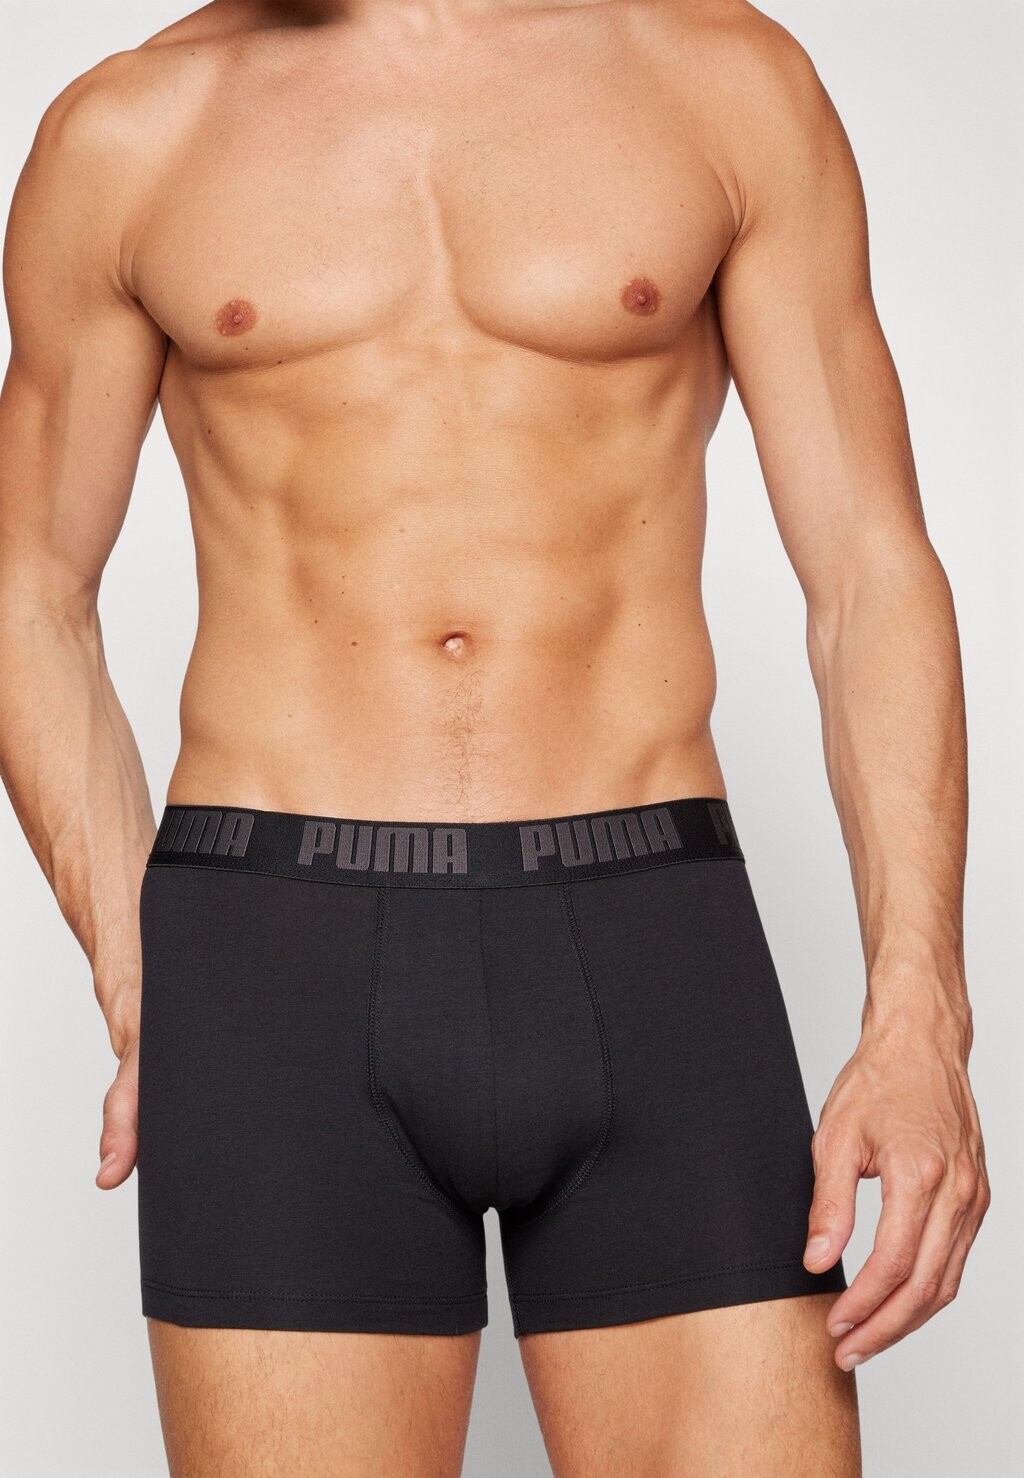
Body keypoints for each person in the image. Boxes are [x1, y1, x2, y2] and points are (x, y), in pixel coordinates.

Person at [0, 1, 990, 1474]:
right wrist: (143, 984)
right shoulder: (132, 131)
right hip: (277, 961)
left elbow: (869, 565)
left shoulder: (722, 82)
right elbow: (31, 591)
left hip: (652, 935)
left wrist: (922, 1013)